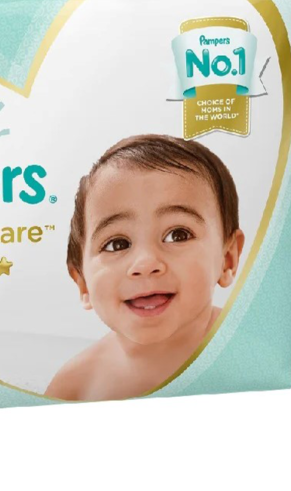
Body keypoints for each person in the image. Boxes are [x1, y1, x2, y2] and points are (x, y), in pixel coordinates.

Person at [46, 134, 245, 401]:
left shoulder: (248, 351)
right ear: (83, 283)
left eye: (178, 235)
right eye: (117, 244)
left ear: (227, 259)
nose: (145, 264)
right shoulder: (75, 386)